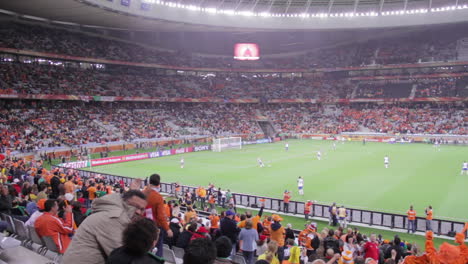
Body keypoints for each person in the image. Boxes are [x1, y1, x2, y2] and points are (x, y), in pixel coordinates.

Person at [63, 190, 148, 264]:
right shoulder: (113, 218)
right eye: (134, 206)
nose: (138, 212)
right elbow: (124, 258)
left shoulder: (113, 213)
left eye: (142, 209)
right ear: (123, 203)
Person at [144, 174, 174, 257]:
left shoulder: (142, 193)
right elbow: (161, 216)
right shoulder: (158, 197)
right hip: (155, 228)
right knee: (157, 251)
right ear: (159, 184)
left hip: (142, 225)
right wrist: (168, 229)